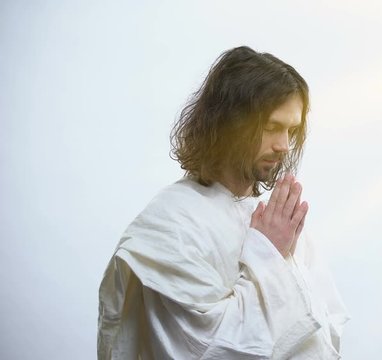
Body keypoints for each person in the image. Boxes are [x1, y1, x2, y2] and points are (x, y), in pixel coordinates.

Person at [97, 46, 349, 359]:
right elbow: (206, 348)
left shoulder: (276, 220)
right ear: (228, 122)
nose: (284, 145)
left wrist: (275, 248)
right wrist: (267, 254)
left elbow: (323, 332)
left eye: (291, 130)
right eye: (271, 127)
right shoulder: (170, 224)